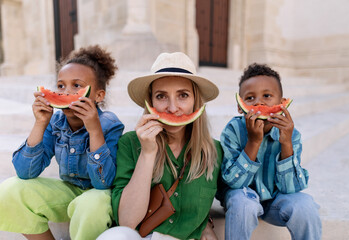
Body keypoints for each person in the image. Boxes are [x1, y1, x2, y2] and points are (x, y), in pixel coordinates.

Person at [0, 45, 124, 240]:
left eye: (77, 86)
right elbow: (25, 172)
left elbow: (103, 183)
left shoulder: (110, 125)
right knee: (9, 190)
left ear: (99, 95)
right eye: (60, 86)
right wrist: (41, 123)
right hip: (68, 192)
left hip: (100, 198)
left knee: (90, 204)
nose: (66, 92)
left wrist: (94, 130)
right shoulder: (56, 122)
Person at [100, 52, 222, 239]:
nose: (172, 108)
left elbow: (235, 195)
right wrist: (147, 154)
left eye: (183, 95)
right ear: (150, 103)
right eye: (161, 96)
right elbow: (127, 221)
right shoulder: (130, 143)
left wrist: (207, 223)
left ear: (195, 101)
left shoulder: (214, 151)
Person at [219, 63, 322, 240]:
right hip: (241, 199)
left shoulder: (292, 135)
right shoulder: (233, 130)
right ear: (239, 106)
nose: (259, 103)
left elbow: (292, 189)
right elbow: (233, 183)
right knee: (244, 204)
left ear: (282, 104)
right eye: (250, 98)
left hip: (275, 200)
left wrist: (286, 144)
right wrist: (253, 142)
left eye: (267, 95)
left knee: (306, 205)